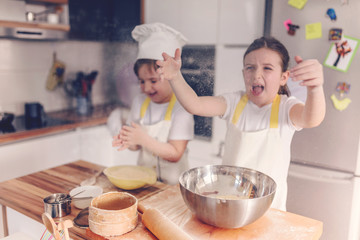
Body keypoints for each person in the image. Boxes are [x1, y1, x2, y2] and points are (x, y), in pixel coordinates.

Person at [156, 36, 326, 210]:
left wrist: (315, 88)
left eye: (267, 68)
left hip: (269, 209)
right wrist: (175, 77)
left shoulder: (286, 108)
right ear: (243, 73)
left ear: (284, 77)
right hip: (229, 202)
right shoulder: (234, 102)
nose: (256, 75)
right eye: (250, 68)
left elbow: (311, 118)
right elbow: (195, 105)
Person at [112, 23, 194, 185]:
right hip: (144, 184)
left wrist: (143, 139)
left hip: (174, 189)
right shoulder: (139, 102)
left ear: (171, 76)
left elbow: (175, 154)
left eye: (153, 80)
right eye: (142, 81)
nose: (146, 88)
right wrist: (128, 140)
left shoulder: (183, 106)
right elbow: (136, 145)